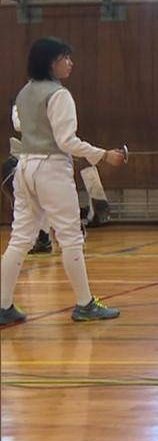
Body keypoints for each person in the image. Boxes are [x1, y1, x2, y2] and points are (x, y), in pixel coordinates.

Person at [1, 37, 126, 327]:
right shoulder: (59, 95)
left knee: (20, 238)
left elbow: (22, 126)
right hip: (51, 170)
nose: (70, 62)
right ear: (50, 62)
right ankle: (84, 304)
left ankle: (3, 306)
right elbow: (66, 141)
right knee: (71, 237)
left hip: (24, 168)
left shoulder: (24, 93)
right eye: (64, 57)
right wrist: (103, 155)